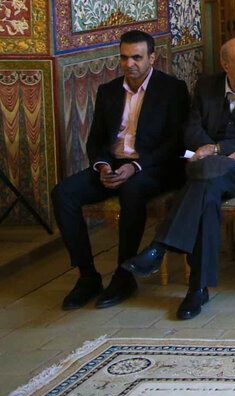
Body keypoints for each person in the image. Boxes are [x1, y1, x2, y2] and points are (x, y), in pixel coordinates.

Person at [123, 38, 235, 320]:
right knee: (206, 191)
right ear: (225, 65)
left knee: (203, 177)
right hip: (207, 168)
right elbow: (192, 129)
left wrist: (220, 149)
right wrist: (210, 152)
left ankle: (160, 248)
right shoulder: (207, 87)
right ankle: (197, 287)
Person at [52, 31, 189, 311]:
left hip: (153, 166)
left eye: (137, 57)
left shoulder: (172, 89)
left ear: (152, 58)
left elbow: (176, 141)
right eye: (124, 58)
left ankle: (124, 275)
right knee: (63, 193)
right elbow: (96, 140)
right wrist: (102, 166)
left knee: (133, 190)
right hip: (113, 164)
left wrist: (135, 166)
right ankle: (87, 276)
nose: (130, 64)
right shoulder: (109, 91)